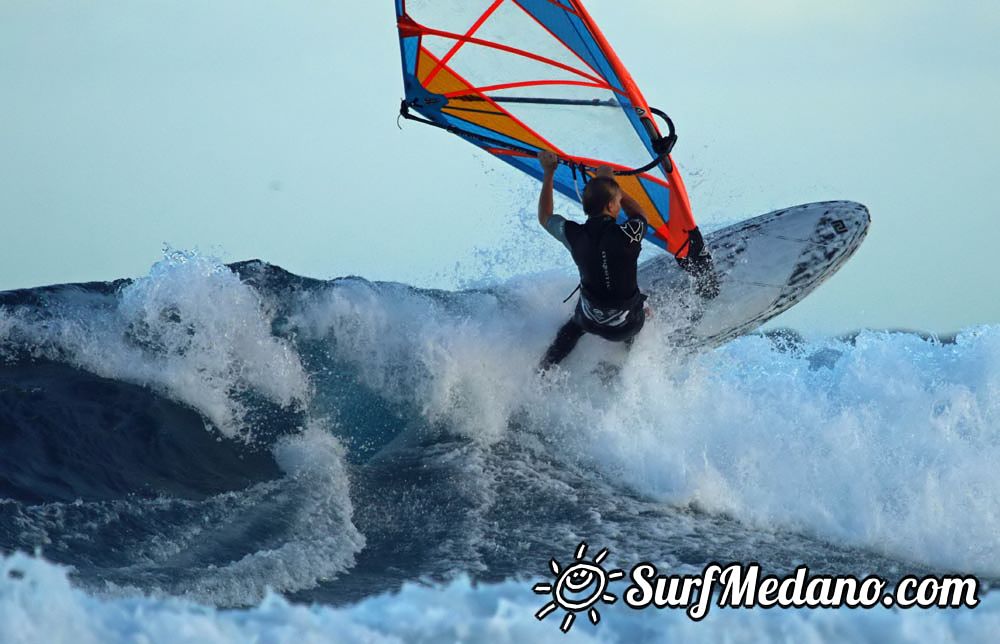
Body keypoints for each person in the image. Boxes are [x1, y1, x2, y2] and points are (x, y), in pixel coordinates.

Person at [536, 150, 652, 370]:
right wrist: (614, 186)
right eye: (617, 201)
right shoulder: (629, 234)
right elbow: (641, 216)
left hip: (588, 320)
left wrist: (549, 172)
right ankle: (623, 366)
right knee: (637, 316)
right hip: (625, 327)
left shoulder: (573, 235)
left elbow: (545, 217)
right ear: (611, 206)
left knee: (572, 328)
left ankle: (542, 371)